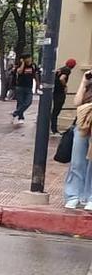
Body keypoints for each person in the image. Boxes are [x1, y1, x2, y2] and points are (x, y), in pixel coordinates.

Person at [62, 69, 92, 210]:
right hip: (82, 125)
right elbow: (77, 102)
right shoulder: (88, 82)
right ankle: (73, 195)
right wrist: (84, 83)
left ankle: (90, 197)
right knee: (77, 161)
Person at [51, 59, 78, 134]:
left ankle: (52, 127)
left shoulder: (61, 68)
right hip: (60, 92)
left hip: (55, 91)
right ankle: (54, 129)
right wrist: (65, 86)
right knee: (56, 110)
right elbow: (62, 78)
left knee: (55, 110)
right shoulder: (67, 70)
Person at [11, 54, 40, 123]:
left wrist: (38, 84)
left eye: (30, 58)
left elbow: (35, 75)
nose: (29, 59)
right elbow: (19, 71)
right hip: (20, 87)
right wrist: (23, 63)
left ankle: (15, 113)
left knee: (28, 102)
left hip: (29, 87)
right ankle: (21, 117)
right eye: (27, 58)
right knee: (20, 103)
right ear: (24, 59)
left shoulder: (33, 65)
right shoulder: (20, 65)